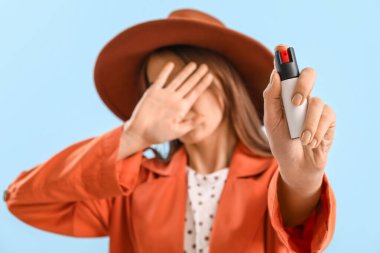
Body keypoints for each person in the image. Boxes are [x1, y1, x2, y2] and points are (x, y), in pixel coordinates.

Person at [3, 8, 336, 253]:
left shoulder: (272, 179)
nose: (177, 101)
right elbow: (23, 199)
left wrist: (302, 178)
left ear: (225, 82)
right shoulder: (130, 186)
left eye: (188, 80)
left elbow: (299, 228)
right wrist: (133, 137)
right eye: (160, 89)